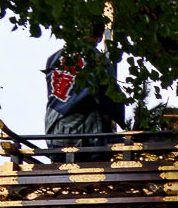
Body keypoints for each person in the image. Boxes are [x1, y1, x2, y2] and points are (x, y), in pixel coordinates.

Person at [45, 20, 127, 157]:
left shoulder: (53, 59)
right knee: (131, 147)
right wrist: (119, 120)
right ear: (98, 38)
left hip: (54, 136)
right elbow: (111, 101)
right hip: (87, 137)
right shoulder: (99, 60)